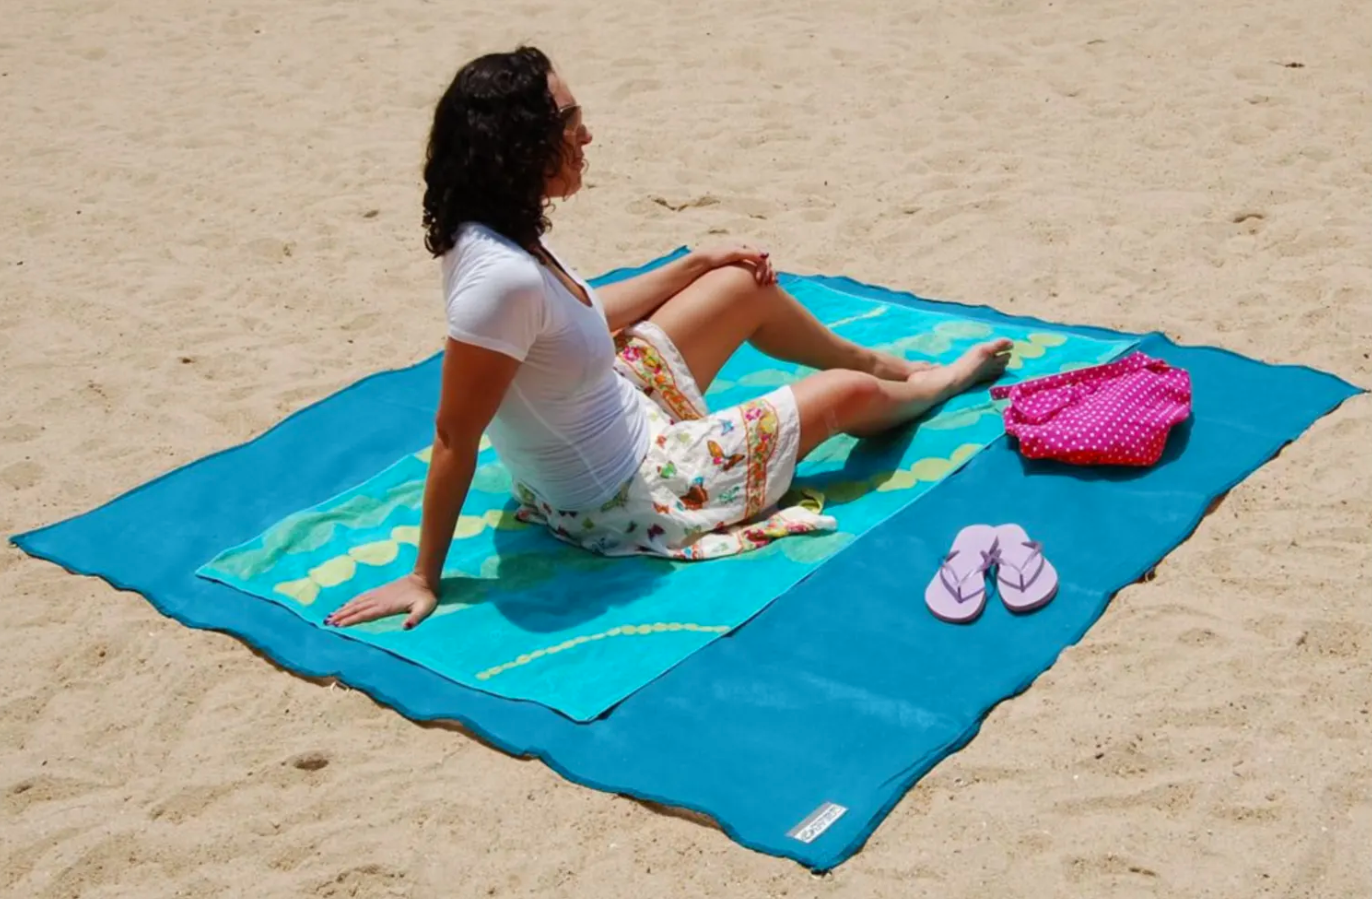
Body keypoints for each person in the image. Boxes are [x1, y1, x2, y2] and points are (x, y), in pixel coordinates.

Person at [326, 46, 1011, 630]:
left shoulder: (495, 232)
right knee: (844, 396)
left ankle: (873, 356)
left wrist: (696, 262)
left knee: (741, 284)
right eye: (572, 122)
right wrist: (424, 575)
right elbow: (453, 435)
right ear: (524, 147)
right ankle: (937, 381)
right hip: (630, 497)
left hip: (619, 412)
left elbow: (582, 314)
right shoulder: (497, 282)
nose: (586, 136)